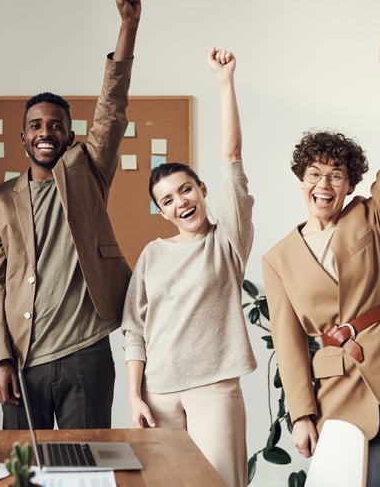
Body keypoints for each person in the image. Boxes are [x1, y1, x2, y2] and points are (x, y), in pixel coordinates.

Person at [262, 42, 380, 486]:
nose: (323, 184)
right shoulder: (278, 258)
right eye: (314, 174)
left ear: (349, 185)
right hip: (336, 391)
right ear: (300, 179)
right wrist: (301, 414)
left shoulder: (372, 214)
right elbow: (288, 346)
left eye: (336, 176)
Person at [0, 0, 140, 430]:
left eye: (55, 125)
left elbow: (112, 107)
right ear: (23, 137)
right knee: (21, 469)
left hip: (85, 352)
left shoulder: (86, 171)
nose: (45, 131)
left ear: (69, 136)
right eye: (35, 125)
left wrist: (128, 27)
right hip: (22, 359)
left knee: (84, 468)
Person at [121, 48, 256, 487]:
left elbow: (231, 157)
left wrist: (224, 83)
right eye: (168, 200)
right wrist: (135, 395)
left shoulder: (226, 242)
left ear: (201, 189)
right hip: (157, 393)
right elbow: (134, 330)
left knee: (219, 484)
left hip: (214, 388)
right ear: (161, 211)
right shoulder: (152, 255)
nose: (181, 203)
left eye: (186, 190)